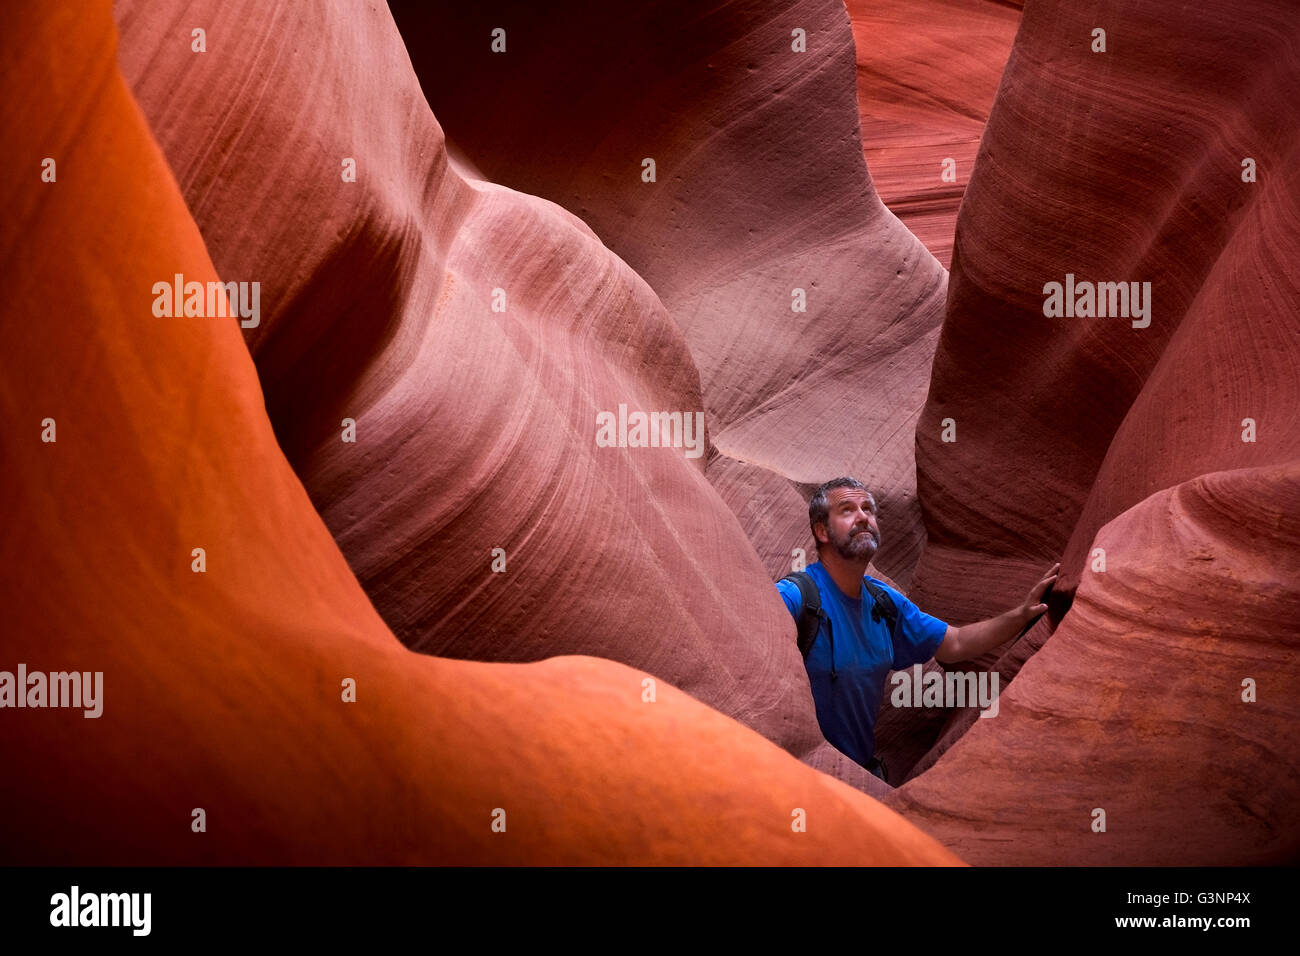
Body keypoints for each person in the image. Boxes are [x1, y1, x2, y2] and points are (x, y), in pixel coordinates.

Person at [775, 477, 1058, 783]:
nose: (863, 517)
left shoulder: (884, 603)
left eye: (868, 509)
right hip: (798, 778)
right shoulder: (797, 597)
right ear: (821, 531)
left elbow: (956, 643)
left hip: (856, 779)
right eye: (847, 510)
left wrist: (1022, 615)